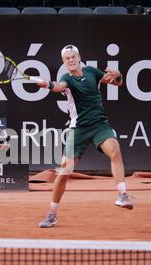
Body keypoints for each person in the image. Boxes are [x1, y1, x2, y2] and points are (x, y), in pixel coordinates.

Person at [37, 44, 133, 228]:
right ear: (64, 63)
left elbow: (117, 82)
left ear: (79, 57)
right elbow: (58, 87)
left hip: (99, 125)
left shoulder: (92, 72)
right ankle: (52, 214)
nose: (71, 60)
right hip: (79, 129)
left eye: (73, 57)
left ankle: (122, 195)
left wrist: (118, 75)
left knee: (114, 151)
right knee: (64, 172)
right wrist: (48, 85)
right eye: (67, 59)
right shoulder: (67, 78)